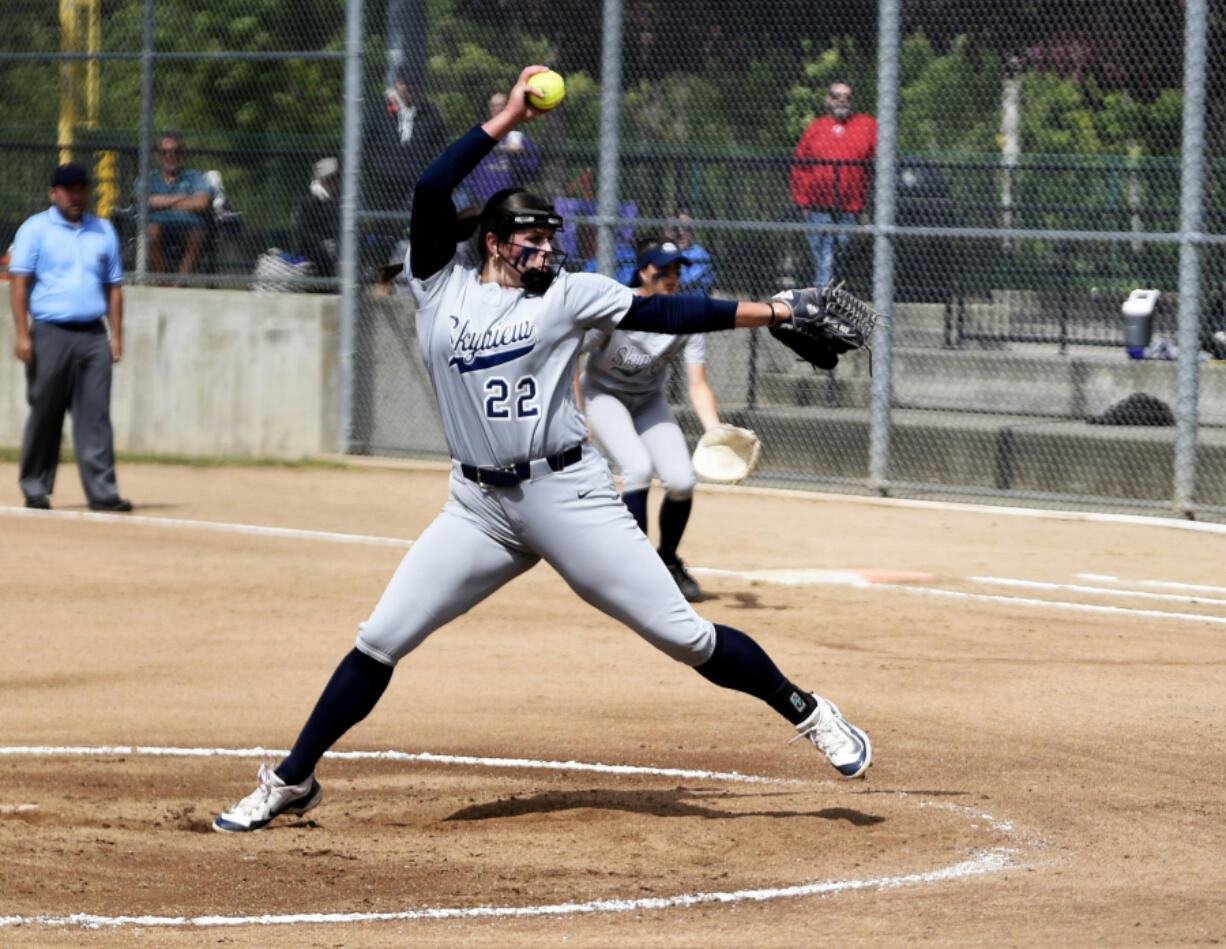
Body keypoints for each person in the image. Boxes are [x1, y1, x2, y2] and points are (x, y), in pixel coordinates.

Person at [212, 67, 871, 834]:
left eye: (552, 238)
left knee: (683, 635)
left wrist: (774, 310)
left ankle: (808, 710)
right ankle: (292, 778)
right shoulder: (439, 286)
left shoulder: (568, 294)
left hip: (568, 496)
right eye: (532, 238)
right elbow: (430, 189)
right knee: (380, 638)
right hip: (478, 506)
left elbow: (667, 306)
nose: (546, 249)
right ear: (493, 242)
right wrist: (508, 117)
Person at [579, 237, 721, 601]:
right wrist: (578, 414)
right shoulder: (617, 309)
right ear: (643, 272)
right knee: (638, 468)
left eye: (677, 271)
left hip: (647, 401)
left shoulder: (687, 318)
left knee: (681, 480)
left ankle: (669, 561)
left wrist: (715, 431)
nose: (671, 277)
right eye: (662, 271)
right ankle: (637, 571)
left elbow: (697, 384)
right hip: (603, 394)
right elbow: (567, 356)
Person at [9, 163, 132, 512]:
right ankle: (35, 487)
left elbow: (114, 288)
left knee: (95, 416)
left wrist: (116, 336)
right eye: (68, 189)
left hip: (94, 336)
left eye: (81, 188)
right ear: (53, 193)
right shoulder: (35, 229)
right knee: (45, 412)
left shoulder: (103, 230)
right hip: (50, 333)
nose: (76, 196)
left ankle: (103, 493)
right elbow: (19, 284)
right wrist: (22, 334)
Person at [790, 80, 877, 288]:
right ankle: (824, 306)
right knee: (826, 259)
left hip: (850, 207)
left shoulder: (867, 125)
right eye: (837, 95)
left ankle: (829, 302)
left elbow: (885, 156)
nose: (842, 100)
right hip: (818, 207)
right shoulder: (816, 127)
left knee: (837, 260)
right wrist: (802, 202)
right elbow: (799, 166)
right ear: (828, 99)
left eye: (847, 96)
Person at [363, 64, 448, 212]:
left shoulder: (429, 111)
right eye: (406, 83)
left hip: (415, 180)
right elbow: (366, 143)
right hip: (381, 180)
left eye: (415, 84)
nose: (410, 88)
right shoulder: (380, 108)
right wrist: (372, 168)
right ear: (396, 84)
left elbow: (440, 146)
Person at [141, 133, 212, 277]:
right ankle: (162, 281)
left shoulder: (195, 177)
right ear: (157, 155)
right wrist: (182, 198)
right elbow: (145, 202)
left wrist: (162, 202)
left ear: (182, 154)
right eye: (164, 152)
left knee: (199, 233)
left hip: (190, 224)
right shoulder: (148, 178)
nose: (170, 155)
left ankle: (179, 284)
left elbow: (202, 203)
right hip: (159, 224)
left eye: (176, 151)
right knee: (151, 231)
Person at [464, 91, 541, 205]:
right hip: (479, 196)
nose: (498, 109)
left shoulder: (518, 136)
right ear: (489, 108)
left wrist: (518, 155)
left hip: (509, 198)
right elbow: (465, 162)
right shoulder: (480, 133)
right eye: (494, 105)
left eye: (502, 105)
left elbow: (532, 170)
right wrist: (474, 189)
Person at [292, 156, 341, 280]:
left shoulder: (333, 201)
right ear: (324, 181)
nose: (334, 184)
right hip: (314, 247)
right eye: (332, 180)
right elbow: (302, 232)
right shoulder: (309, 201)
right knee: (326, 252)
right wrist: (324, 243)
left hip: (331, 244)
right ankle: (330, 284)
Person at [664, 210, 715, 294]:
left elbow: (686, 283)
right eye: (676, 229)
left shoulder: (699, 254)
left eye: (685, 228)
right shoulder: (664, 251)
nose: (681, 233)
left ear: (692, 233)